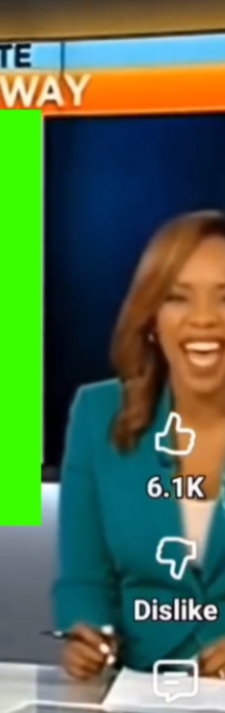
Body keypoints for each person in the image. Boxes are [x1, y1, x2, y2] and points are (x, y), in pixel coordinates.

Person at [54, 210, 225, 678]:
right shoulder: (97, 414)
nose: (204, 320)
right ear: (151, 318)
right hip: (140, 697)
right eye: (176, 298)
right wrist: (87, 635)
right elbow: (84, 580)